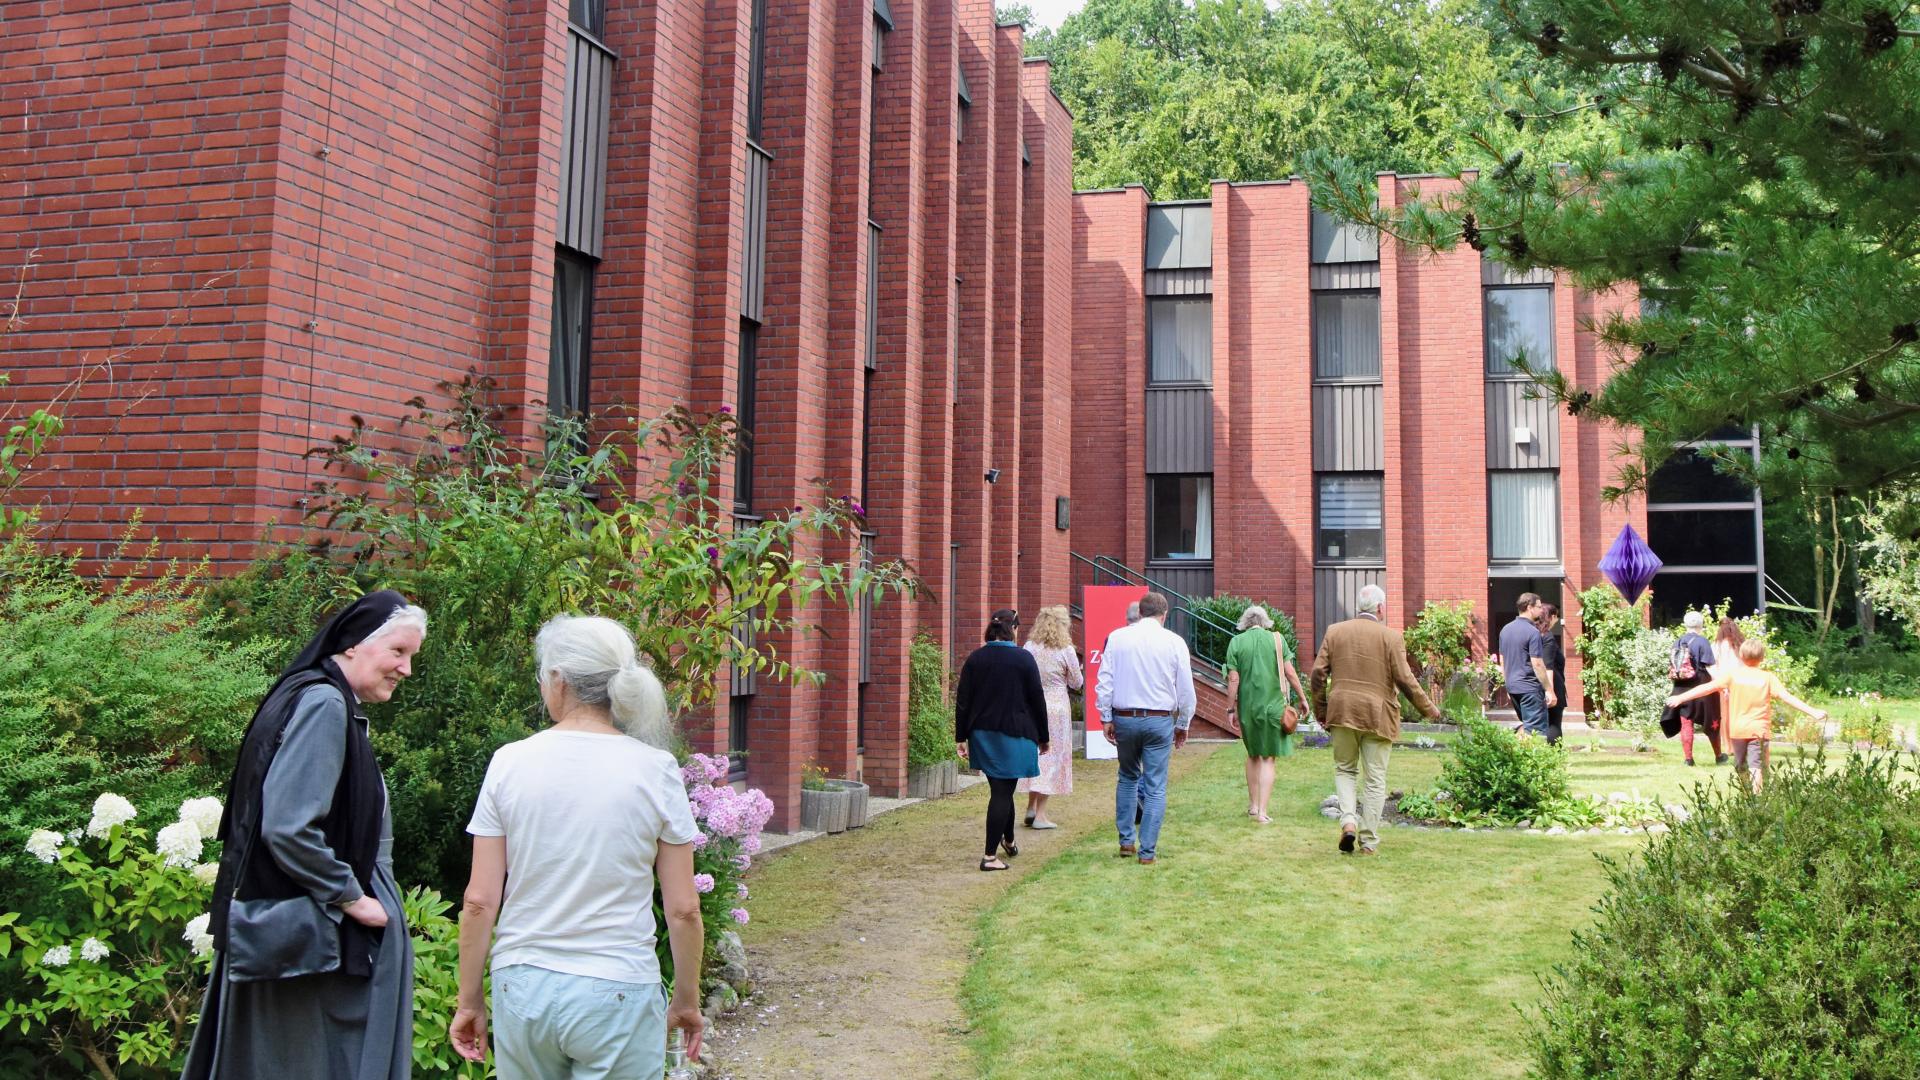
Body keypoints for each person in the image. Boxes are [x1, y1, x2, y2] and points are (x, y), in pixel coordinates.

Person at [183, 591, 427, 1080]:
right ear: (354, 644)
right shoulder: (323, 703)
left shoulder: (313, 695)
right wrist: (352, 898)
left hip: (303, 930)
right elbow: (289, 826)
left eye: (410, 657)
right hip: (319, 938)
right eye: (397, 653)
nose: (405, 669)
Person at [450, 615, 705, 1078]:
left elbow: (479, 900)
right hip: (619, 990)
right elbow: (684, 908)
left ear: (558, 680)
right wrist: (687, 999)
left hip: (523, 986)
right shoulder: (656, 769)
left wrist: (469, 1000)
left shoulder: (509, 763)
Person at [1310, 584, 1440, 855]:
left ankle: (1347, 821)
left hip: (1342, 711)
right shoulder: (1390, 637)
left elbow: (1317, 674)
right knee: (1375, 778)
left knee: (1345, 769)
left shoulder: (1335, 632)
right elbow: (1405, 679)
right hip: (1378, 715)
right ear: (1381, 608)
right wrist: (1429, 708)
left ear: (1360, 606)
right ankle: (1368, 841)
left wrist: (1322, 710)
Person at [1094, 592, 1196, 865]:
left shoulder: (1117, 638)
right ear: (1164, 615)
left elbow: (1105, 680)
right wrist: (1183, 722)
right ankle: (1147, 850)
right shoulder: (1174, 642)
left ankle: (1126, 840)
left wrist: (1105, 717)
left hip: (1125, 716)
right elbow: (1185, 688)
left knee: (1127, 777)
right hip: (1159, 718)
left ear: (1140, 612)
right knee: (1155, 785)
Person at [954, 609, 1050, 871]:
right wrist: (1044, 736)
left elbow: (963, 701)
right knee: (1002, 792)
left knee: (1001, 789)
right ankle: (988, 857)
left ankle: (1008, 840)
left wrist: (960, 736)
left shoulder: (976, 658)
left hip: (982, 734)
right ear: (1014, 629)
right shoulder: (1023, 659)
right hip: (1015, 733)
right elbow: (1037, 699)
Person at [1666, 638, 1826, 791]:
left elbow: (1707, 688)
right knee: (1756, 766)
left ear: (1741, 656)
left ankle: (1748, 795)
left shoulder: (1733, 676)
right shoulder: (1768, 678)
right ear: (1762, 658)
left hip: (1738, 730)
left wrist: (1681, 697)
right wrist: (1813, 712)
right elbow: (1787, 697)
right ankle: (1756, 799)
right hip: (1759, 730)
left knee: (1740, 765)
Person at [1223, 604, 1306, 824]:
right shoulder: (1277, 640)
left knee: (1252, 755)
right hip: (1273, 708)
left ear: (1245, 623)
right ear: (1264, 622)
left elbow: (1233, 679)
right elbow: (1289, 672)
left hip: (1248, 709)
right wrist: (1303, 698)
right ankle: (1262, 812)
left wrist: (1230, 708)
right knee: (1268, 757)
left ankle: (1252, 806)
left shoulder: (1236, 642)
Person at [1019, 605, 1083, 830]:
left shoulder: (1029, 647)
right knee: (1052, 758)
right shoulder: (1065, 649)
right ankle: (1041, 815)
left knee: (1036, 755)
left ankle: (1030, 807)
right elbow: (1077, 682)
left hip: (1032, 706)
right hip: (1056, 708)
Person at [1671, 610, 1726, 766]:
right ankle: (1718, 755)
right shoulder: (1702, 642)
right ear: (1701, 625)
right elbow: (1710, 666)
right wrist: (1722, 685)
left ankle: (1688, 759)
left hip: (1681, 687)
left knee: (1686, 722)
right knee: (1712, 720)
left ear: (1685, 624)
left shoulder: (1678, 641)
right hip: (1702, 688)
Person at [1498, 593, 1556, 737]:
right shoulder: (1532, 632)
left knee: (1527, 727)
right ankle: (1532, 759)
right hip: (1530, 689)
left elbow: (1502, 661)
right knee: (1535, 733)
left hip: (1513, 687)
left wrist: (1507, 683)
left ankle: (1515, 755)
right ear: (1529, 608)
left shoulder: (1505, 630)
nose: (1541, 610)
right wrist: (1549, 689)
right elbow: (1537, 663)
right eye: (1538, 606)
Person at [1539, 603, 1569, 745]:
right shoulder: (1548, 637)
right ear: (1551, 617)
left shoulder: (1535, 635)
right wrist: (1550, 691)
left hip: (1538, 684)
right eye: (1556, 616)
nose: (1557, 620)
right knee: (1554, 723)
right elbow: (1548, 666)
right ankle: (1555, 754)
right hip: (1552, 685)